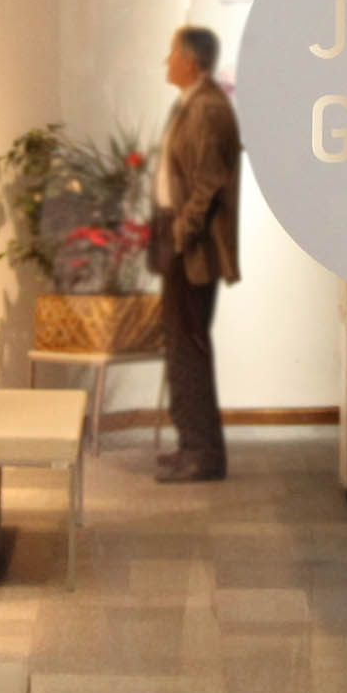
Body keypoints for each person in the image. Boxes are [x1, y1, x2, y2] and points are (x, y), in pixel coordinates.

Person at [153, 24, 242, 480]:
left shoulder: (206, 108)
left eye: (172, 53)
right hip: (180, 242)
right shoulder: (192, 104)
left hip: (193, 250)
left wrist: (182, 234)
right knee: (182, 347)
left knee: (188, 348)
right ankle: (191, 443)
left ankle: (202, 454)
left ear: (191, 62)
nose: (166, 61)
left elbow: (209, 182)